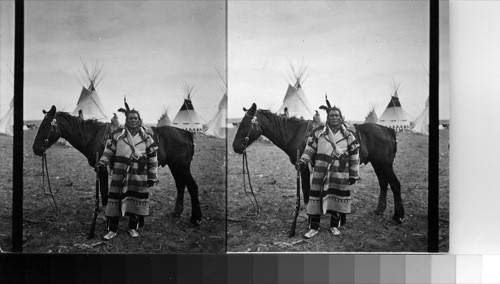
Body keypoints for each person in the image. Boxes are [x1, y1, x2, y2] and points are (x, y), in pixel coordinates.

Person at [296, 102, 360, 239]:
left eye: (337, 115)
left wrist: (354, 173)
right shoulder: (319, 133)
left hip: (339, 172)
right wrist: (303, 160)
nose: (334, 118)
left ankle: (334, 225)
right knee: (316, 198)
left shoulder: (348, 135)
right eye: (331, 116)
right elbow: (309, 148)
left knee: (336, 198)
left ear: (341, 117)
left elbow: (355, 155)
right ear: (328, 117)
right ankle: (314, 227)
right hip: (321, 170)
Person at [97, 109, 158, 240]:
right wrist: (102, 162)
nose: (133, 120)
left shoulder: (146, 137)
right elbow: (109, 150)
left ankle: (132, 227)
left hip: (138, 174)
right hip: (120, 173)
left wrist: (152, 176)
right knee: (114, 200)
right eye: (130, 118)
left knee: (135, 200)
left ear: (139, 120)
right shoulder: (118, 135)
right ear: (126, 120)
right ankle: (112, 229)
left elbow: (153, 157)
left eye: (135, 118)